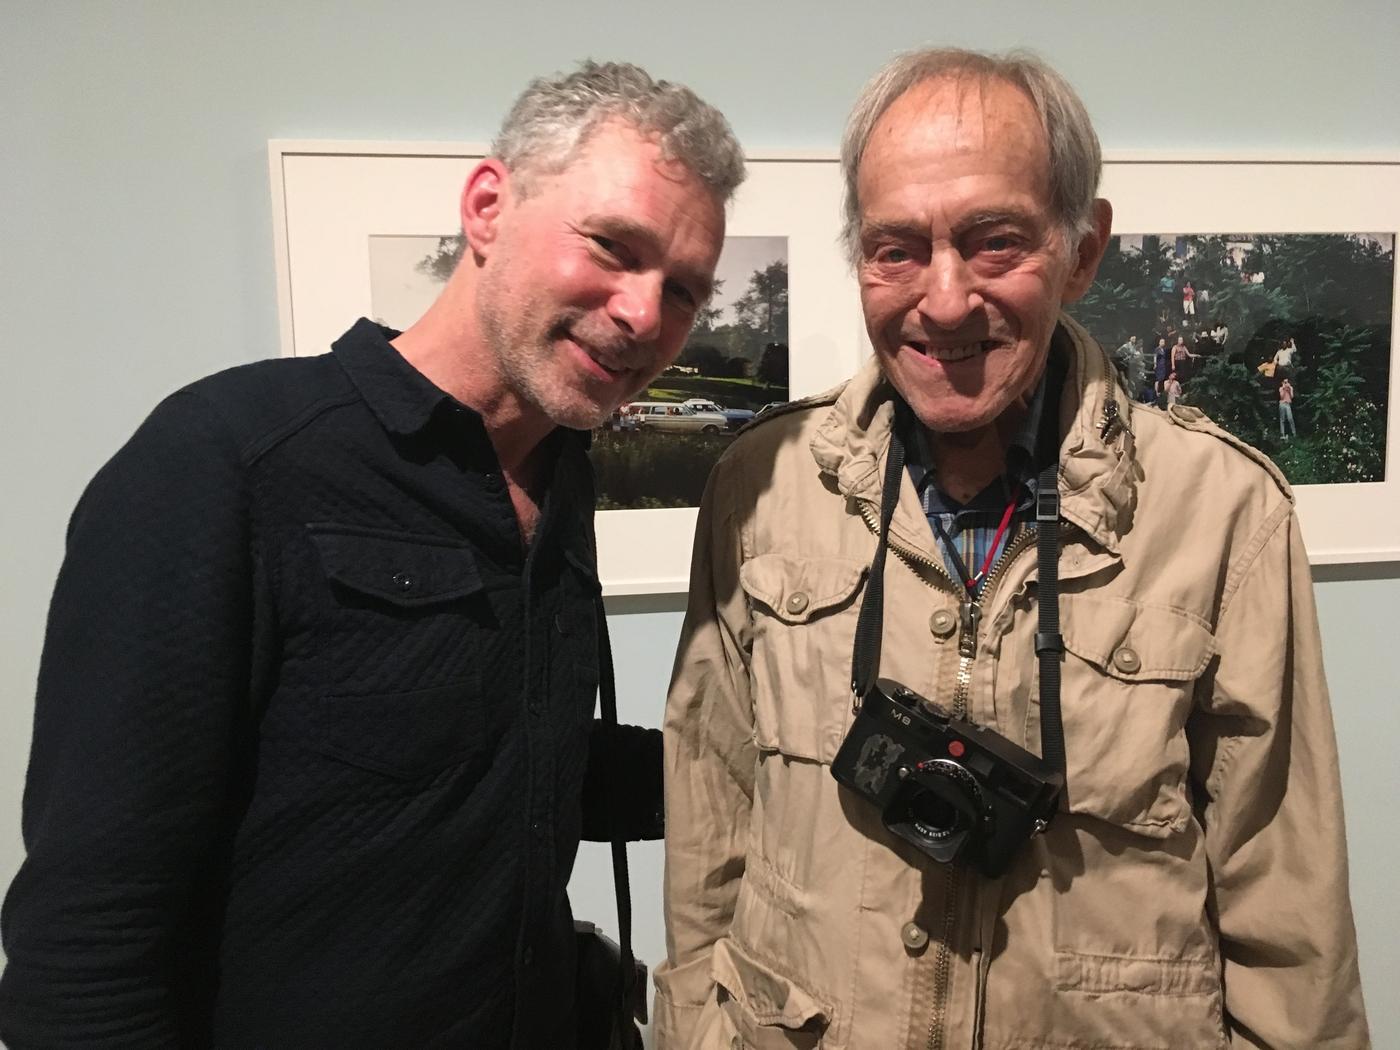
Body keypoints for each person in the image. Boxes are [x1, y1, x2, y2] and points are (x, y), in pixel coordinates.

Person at [0, 61, 742, 1048]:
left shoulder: (561, 475)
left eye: (683, 289)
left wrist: (778, 774)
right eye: (612, 246)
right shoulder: (227, 460)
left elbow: (511, 759)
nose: (645, 315)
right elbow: (87, 936)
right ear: (487, 207)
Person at [655, 47, 1368, 1050]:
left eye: (993, 243)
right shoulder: (760, 488)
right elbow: (708, 831)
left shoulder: (1221, 515)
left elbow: (1285, 918)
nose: (942, 302)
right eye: (896, 247)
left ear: (1080, 250)